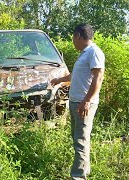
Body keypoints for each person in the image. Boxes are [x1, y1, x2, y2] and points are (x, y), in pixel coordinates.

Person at [51, 23, 105, 179]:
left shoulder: (94, 52)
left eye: (73, 38)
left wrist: (87, 101)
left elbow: (98, 78)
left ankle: (78, 176)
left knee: (80, 140)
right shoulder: (84, 53)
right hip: (76, 102)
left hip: (84, 104)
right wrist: (59, 80)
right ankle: (83, 171)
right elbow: (74, 76)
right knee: (79, 139)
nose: (72, 42)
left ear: (78, 36)